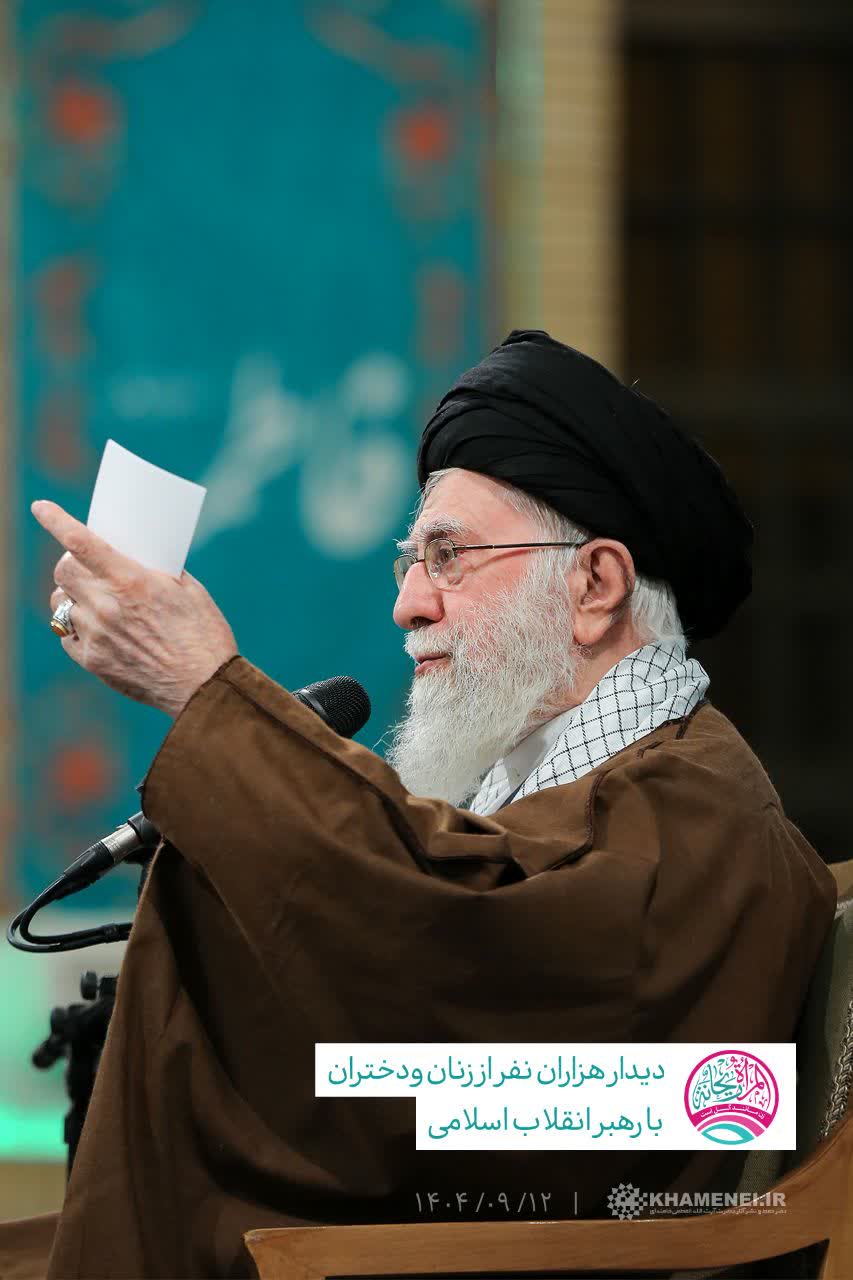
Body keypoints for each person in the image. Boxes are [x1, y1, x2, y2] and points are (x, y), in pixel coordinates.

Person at [10, 332, 838, 1278]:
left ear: (595, 584)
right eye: (409, 561)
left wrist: (208, 692)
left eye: (446, 556)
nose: (408, 603)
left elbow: (461, 970)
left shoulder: (697, 813)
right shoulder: (564, 781)